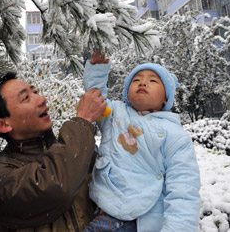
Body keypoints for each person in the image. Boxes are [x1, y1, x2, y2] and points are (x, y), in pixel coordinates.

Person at [83, 50, 201, 232]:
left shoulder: (175, 135)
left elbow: (183, 189)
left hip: (142, 216)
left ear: (165, 99)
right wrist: (98, 70)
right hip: (103, 206)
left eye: (153, 81)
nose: (143, 83)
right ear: (126, 92)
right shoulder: (114, 113)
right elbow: (94, 99)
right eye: (136, 80)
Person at [0, 72, 107, 231]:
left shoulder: (74, 150)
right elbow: (57, 188)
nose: (42, 99)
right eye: (25, 98)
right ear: (3, 125)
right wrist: (82, 121)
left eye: (35, 92)